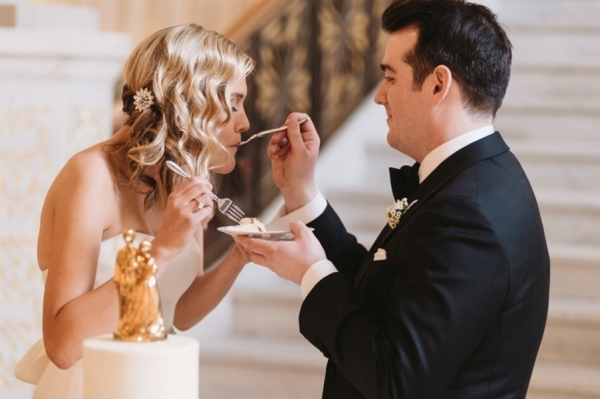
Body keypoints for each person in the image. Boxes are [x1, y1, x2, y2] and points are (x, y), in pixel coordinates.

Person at [235, 0, 550, 397]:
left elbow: (395, 378)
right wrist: (301, 194)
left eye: (390, 78)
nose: (379, 97)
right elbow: (383, 294)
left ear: (438, 84)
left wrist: (311, 273)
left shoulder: (469, 212)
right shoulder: (478, 178)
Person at [14, 24, 254, 398]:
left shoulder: (181, 181)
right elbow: (62, 345)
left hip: (157, 383)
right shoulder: (92, 175)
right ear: (189, 100)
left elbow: (181, 311)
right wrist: (163, 249)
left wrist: (242, 253)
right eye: (234, 103)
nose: (245, 122)